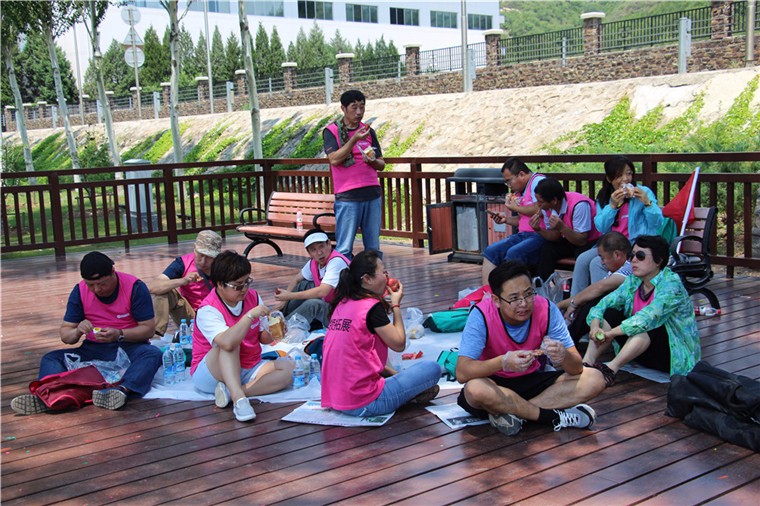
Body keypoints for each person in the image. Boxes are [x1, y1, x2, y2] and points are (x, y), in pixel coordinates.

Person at [456, 261, 605, 436]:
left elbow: (576, 368)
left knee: (594, 378)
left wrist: (563, 355)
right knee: (475, 389)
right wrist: (503, 362)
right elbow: (462, 372)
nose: (524, 303)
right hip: (494, 383)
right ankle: (551, 417)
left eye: (528, 294)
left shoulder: (546, 309)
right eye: (514, 298)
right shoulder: (481, 315)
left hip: (534, 380)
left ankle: (515, 415)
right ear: (496, 300)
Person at [11, 252, 161, 415]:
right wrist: (77, 331)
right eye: (91, 285)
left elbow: (148, 329)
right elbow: (66, 334)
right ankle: (48, 395)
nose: (97, 289)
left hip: (128, 347)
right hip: (92, 349)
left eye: (102, 284)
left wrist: (119, 334)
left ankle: (120, 391)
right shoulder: (80, 291)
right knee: (51, 358)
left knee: (152, 353)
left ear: (113, 272)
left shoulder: (134, 287)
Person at [320, 250, 442, 416]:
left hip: (336, 399)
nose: (386, 277)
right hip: (367, 402)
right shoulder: (370, 306)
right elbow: (399, 344)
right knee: (432, 368)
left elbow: (358, 356)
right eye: (383, 272)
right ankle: (408, 395)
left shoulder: (343, 303)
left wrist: (392, 373)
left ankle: (408, 393)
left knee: (399, 375)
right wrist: (396, 305)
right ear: (367, 279)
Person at [190, 250, 294, 422]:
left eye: (247, 282)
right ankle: (239, 400)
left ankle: (232, 392)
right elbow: (227, 343)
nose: (244, 289)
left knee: (288, 369)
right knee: (230, 344)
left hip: (247, 365)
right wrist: (249, 316)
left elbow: (262, 337)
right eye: (238, 286)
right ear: (220, 284)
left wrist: (275, 331)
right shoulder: (208, 309)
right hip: (211, 372)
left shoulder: (252, 297)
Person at [585, 235, 701, 387]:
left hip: (671, 358)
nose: (633, 260)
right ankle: (586, 363)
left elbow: (647, 318)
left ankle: (611, 369)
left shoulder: (671, 283)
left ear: (658, 261)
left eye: (640, 256)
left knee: (648, 325)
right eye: (632, 255)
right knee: (610, 312)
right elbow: (603, 304)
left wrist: (610, 333)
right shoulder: (633, 281)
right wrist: (595, 326)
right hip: (640, 351)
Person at [570, 156, 663, 296]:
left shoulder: (644, 193)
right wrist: (612, 206)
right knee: (583, 259)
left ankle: (600, 302)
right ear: (609, 179)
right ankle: (576, 301)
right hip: (612, 244)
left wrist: (647, 202)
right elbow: (601, 227)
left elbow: (657, 222)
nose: (626, 179)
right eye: (619, 176)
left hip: (635, 245)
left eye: (629, 174)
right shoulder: (605, 197)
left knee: (597, 263)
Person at [323, 89, 386, 259]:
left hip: (372, 193)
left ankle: (374, 275)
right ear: (343, 108)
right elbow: (334, 159)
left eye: (362, 107)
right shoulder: (331, 131)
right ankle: (342, 276)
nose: (359, 112)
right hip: (348, 196)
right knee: (344, 247)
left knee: (373, 247)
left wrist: (372, 161)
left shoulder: (368, 131)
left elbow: (381, 164)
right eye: (354, 107)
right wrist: (354, 140)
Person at [557, 231, 632, 344]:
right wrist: (564, 304)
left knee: (593, 302)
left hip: (630, 319)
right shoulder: (616, 269)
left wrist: (573, 304)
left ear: (617, 255)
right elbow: (592, 290)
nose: (602, 263)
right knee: (588, 301)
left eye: (603, 258)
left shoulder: (630, 267)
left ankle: (568, 343)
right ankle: (568, 340)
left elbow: (600, 288)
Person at [481, 157, 546, 285]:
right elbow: (524, 220)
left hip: (541, 234)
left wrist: (515, 208)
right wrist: (506, 220)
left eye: (509, 181)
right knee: (491, 251)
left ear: (521, 175)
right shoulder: (520, 191)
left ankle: (512, 292)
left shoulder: (538, 182)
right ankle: (488, 293)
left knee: (514, 253)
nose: (509, 186)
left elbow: (539, 209)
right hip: (524, 235)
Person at [148, 230, 222, 338]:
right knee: (163, 291)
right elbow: (153, 286)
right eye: (200, 254)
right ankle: (156, 334)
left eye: (209, 257)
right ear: (194, 248)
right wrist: (183, 281)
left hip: (217, 315)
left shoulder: (224, 266)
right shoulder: (183, 262)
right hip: (190, 315)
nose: (203, 261)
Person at [274, 229, 350, 329]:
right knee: (304, 284)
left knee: (313, 304)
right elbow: (297, 279)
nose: (319, 253)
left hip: (344, 315)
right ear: (309, 252)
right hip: (331, 305)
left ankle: (283, 328)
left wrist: (289, 295)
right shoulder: (313, 262)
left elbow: (322, 291)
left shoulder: (336, 261)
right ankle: (279, 319)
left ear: (329, 244)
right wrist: (284, 302)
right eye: (313, 250)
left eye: (321, 246)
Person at [531, 178, 600, 282]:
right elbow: (556, 236)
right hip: (570, 239)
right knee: (547, 249)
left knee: (581, 256)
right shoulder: (547, 208)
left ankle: (579, 287)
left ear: (554, 200)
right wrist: (539, 230)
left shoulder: (579, 205)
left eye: (540, 202)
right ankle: (543, 285)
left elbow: (582, 240)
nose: (537, 205)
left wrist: (562, 227)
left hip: (591, 241)